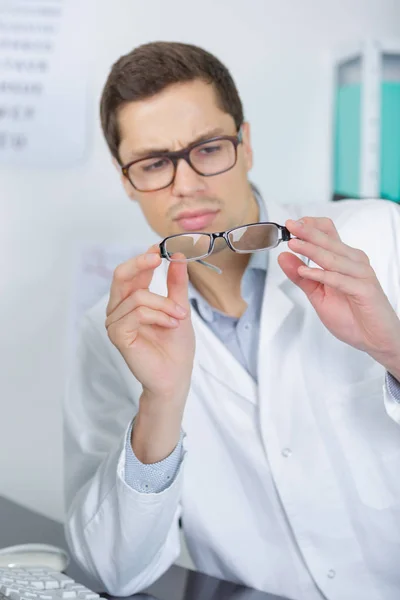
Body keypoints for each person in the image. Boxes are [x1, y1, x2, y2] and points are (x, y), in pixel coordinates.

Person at [64, 42, 400, 600]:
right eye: (153, 164)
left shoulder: (378, 239)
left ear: (245, 145)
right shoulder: (111, 331)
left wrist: (394, 350)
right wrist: (161, 406)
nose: (187, 184)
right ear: (126, 181)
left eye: (208, 148)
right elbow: (110, 572)